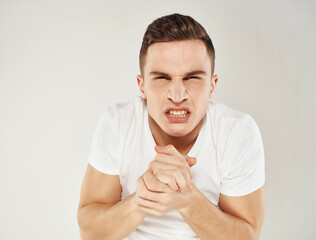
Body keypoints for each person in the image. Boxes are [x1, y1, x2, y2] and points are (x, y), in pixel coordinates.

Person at [77, 13, 265, 240]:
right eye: (162, 78)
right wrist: (143, 198)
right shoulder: (118, 123)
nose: (177, 96)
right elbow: (90, 233)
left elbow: (248, 236)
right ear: (142, 85)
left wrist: (188, 200)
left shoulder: (237, 132)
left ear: (212, 86)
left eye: (192, 77)